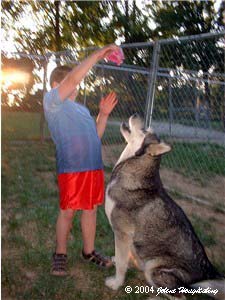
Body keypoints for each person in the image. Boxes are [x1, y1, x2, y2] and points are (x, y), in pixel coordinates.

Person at [43, 45, 119, 276]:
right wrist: (97, 55)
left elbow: (95, 135)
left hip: (93, 168)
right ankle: (60, 254)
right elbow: (73, 79)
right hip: (72, 170)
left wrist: (103, 115)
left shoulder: (82, 111)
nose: (75, 86)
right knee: (68, 211)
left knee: (90, 209)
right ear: (57, 85)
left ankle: (89, 251)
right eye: (69, 82)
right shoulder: (52, 103)